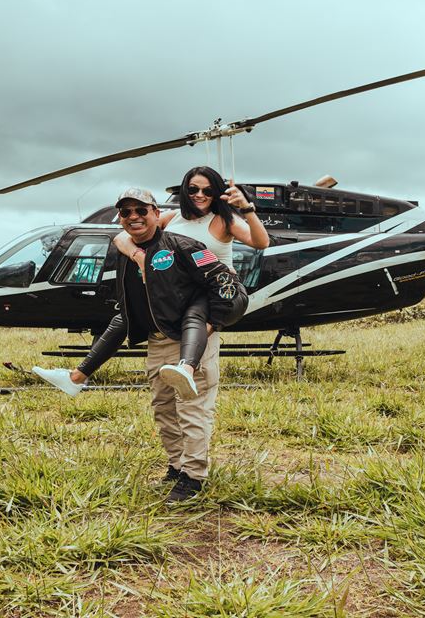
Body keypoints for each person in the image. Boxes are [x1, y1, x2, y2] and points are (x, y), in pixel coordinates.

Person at [32, 188, 249, 502]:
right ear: (120, 218)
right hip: (157, 341)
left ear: (156, 214)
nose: (134, 217)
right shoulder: (124, 252)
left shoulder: (183, 246)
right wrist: (82, 370)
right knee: (164, 411)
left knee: (192, 410)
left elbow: (226, 285)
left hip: (191, 341)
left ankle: (193, 477)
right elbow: (129, 309)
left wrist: (210, 322)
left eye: (141, 210)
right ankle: (177, 468)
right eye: (126, 212)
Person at [113, 166, 269, 391]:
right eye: (193, 189)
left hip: (210, 292)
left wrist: (246, 208)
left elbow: (261, 242)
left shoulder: (225, 220)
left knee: (194, 323)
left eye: (208, 191)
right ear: (185, 191)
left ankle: (188, 368)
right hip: (178, 295)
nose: (200, 195)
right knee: (122, 318)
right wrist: (140, 258)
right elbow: (122, 236)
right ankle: (78, 375)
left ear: (216, 193)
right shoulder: (172, 217)